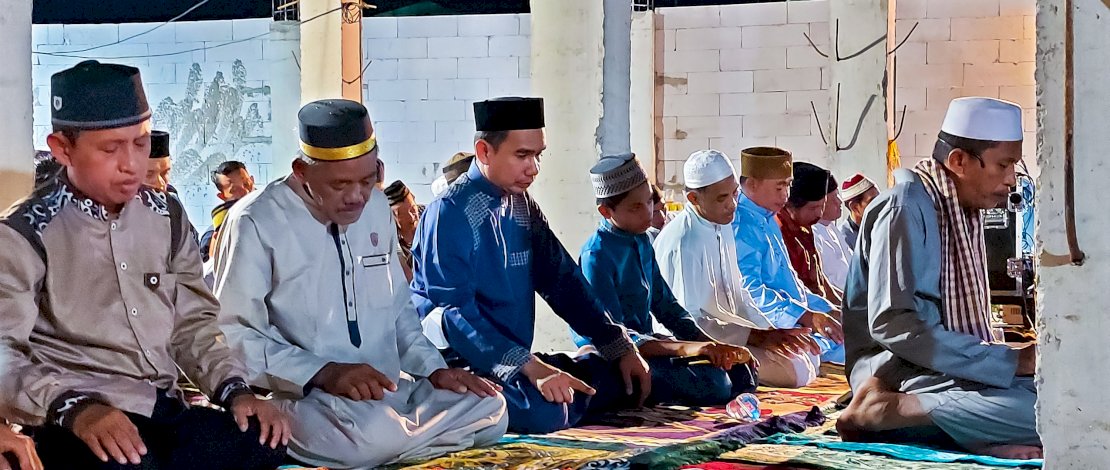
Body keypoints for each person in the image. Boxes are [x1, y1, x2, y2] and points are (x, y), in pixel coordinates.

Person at [0, 60, 288, 470]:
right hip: (78, 419)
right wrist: (75, 408)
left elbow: (195, 325)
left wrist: (235, 390)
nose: (131, 163)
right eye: (110, 148)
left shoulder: (166, 216)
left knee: (263, 439)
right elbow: (3, 354)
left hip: (160, 411)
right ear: (63, 148)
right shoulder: (25, 232)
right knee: (131, 463)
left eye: (139, 143)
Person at [214, 99, 507, 468]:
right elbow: (232, 333)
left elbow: (399, 308)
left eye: (367, 181)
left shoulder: (377, 207)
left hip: (386, 393)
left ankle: (402, 439)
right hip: (309, 398)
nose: (356, 196)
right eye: (340, 184)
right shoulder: (255, 221)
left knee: (493, 407)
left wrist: (434, 369)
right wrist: (323, 372)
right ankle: (407, 439)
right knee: (367, 439)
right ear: (301, 170)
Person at [411, 97, 652, 434]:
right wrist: (530, 368)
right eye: (522, 155)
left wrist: (616, 343)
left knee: (634, 377)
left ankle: (572, 382)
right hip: (462, 366)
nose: (534, 168)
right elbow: (453, 313)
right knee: (545, 413)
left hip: (520, 366)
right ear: (484, 152)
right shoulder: (450, 212)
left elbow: (563, 281)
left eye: (538, 155)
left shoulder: (522, 205)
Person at [837, 97, 1040, 460]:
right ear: (959, 161)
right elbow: (893, 324)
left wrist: (1008, 362)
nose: (1011, 180)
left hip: (946, 371)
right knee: (1051, 413)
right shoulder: (904, 207)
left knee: (1071, 394)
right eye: (1003, 165)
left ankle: (971, 435)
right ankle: (885, 412)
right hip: (896, 374)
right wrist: (1010, 362)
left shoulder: (960, 209)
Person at [577, 153, 757, 406]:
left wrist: (711, 346)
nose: (648, 212)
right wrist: (688, 349)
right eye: (635, 207)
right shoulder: (596, 255)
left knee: (740, 369)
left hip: (649, 347)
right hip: (614, 357)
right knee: (714, 383)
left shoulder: (641, 241)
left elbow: (668, 308)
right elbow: (611, 335)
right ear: (606, 211)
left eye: (649, 201)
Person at [654, 150, 824, 388]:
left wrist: (770, 330)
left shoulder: (720, 224)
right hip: (691, 342)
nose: (732, 205)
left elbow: (737, 296)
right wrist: (757, 337)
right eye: (722, 198)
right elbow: (690, 322)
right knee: (792, 372)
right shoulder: (685, 240)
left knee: (804, 358)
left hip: (730, 333)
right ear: (694, 199)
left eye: (734, 194)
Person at [733, 147, 845, 364]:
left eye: (788, 185)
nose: (786, 194)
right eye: (780, 186)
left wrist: (828, 311)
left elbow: (794, 288)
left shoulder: (767, 218)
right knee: (809, 361)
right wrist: (807, 317)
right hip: (770, 330)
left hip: (796, 323)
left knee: (863, 340)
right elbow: (750, 292)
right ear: (753, 184)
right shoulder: (742, 225)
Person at [778, 162, 843, 306]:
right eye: (813, 208)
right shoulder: (779, 233)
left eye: (822, 205)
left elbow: (821, 282)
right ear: (789, 205)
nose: (819, 213)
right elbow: (794, 293)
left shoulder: (806, 227)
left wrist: (846, 309)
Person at [199, 161, 256, 261]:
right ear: (222, 196)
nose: (245, 192)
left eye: (247, 184)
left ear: (253, 180)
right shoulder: (211, 236)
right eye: (234, 190)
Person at [813, 180, 853, 291]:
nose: (840, 201)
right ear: (821, 202)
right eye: (834, 197)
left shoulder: (831, 227)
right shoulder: (813, 234)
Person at [384, 180, 422, 282]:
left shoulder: (428, 220)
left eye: (413, 208)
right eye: (405, 212)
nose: (412, 215)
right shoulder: (391, 242)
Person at [838, 173, 879, 248]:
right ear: (855, 207)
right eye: (873, 201)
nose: (879, 204)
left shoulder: (879, 227)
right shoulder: (843, 239)